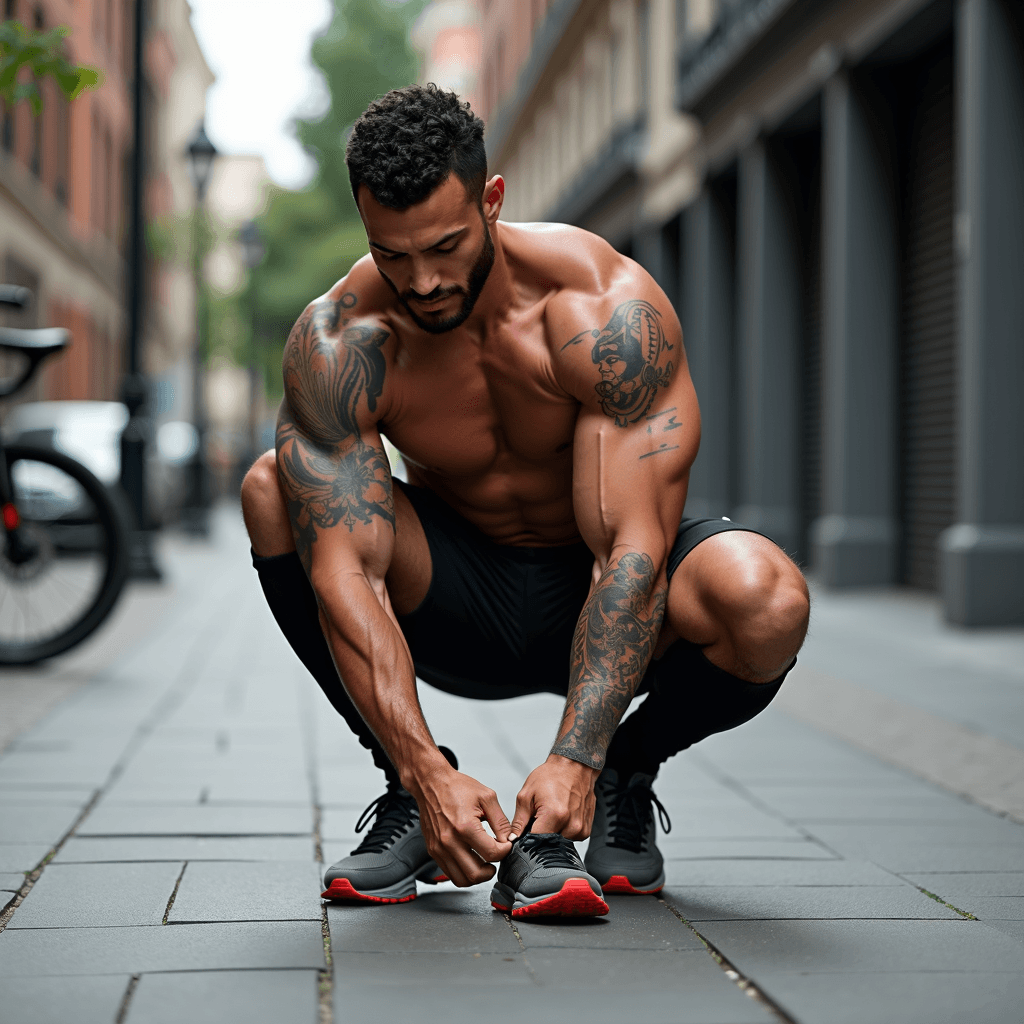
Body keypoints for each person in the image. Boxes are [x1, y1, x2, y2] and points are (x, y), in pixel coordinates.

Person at [241, 85, 809, 918]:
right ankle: (410, 801)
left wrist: (579, 755)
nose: (424, 282)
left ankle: (625, 770)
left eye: (445, 245)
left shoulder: (604, 312)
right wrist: (424, 772)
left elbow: (633, 553)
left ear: (492, 200)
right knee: (271, 487)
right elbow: (348, 576)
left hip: (600, 583)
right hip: (455, 595)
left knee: (767, 598)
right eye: (392, 255)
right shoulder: (342, 340)